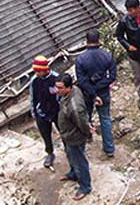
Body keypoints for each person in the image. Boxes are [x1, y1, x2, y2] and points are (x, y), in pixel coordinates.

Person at [75, 29, 117, 157]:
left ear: (86, 41)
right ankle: (109, 149)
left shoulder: (81, 59)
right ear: (99, 40)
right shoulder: (107, 56)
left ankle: (88, 137)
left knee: (86, 116)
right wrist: (99, 88)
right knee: (105, 118)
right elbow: (112, 77)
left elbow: (81, 81)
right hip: (103, 93)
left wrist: (93, 92)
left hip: (87, 93)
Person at [56, 73, 92, 201]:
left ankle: (85, 186)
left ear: (69, 87)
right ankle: (73, 174)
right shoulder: (71, 92)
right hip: (67, 134)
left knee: (80, 161)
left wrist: (88, 131)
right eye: (57, 87)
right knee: (70, 155)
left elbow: (81, 122)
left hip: (74, 137)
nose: (57, 90)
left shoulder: (74, 106)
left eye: (60, 88)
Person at [29, 56, 59, 168]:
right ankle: (50, 153)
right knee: (46, 135)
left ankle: (69, 151)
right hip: (42, 112)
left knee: (64, 132)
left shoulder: (56, 78)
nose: (36, 73)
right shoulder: (34, 81)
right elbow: (32, 98)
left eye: (38, 71)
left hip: (57, 111)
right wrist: (34, 113)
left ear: (45, 70)